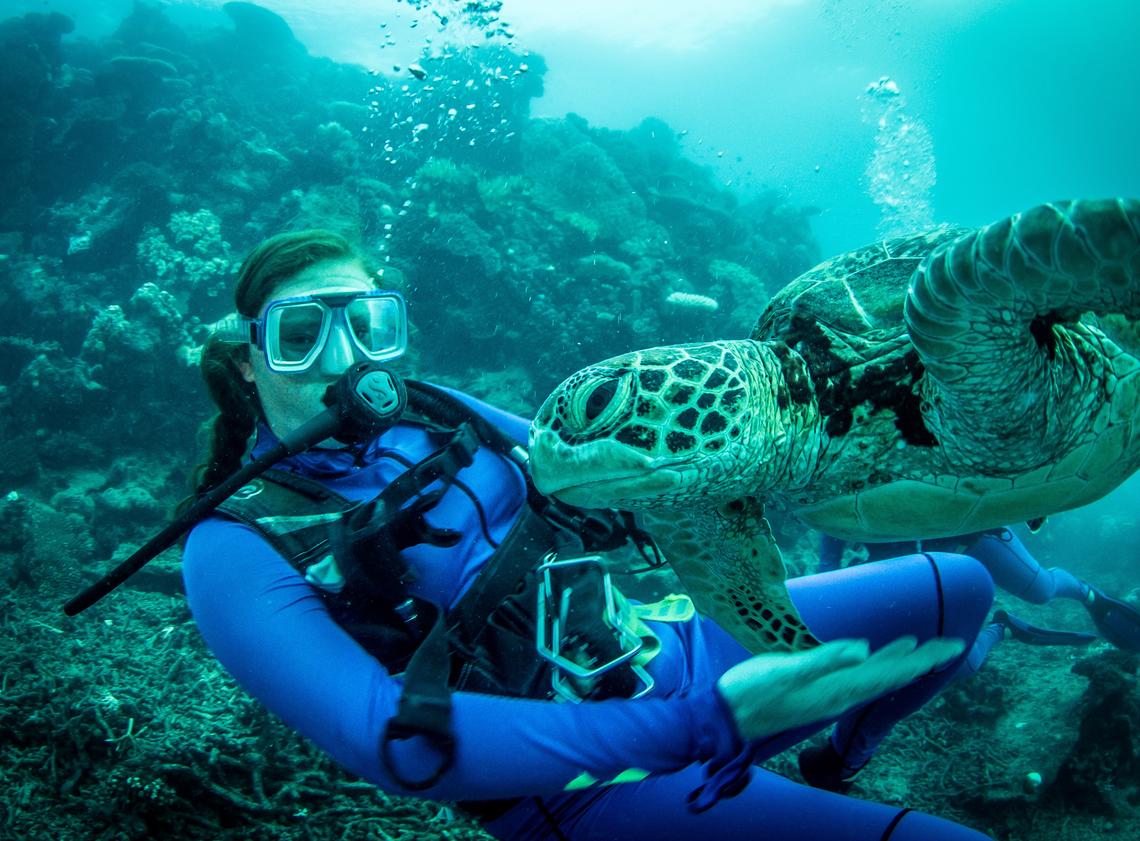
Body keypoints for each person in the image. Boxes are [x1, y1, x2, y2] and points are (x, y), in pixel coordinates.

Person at [182, 229, 1000, 840]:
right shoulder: (232, 545)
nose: (347, 357)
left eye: (369, 322)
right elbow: (383, 739)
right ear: (249, 360)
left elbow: (593, 464)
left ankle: (837, 760)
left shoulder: (434, 409)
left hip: (665, 649)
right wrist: (703, 725)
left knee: (962, 589)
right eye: (300, 335)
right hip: (580, 783)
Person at [818, 529, 1140, 651]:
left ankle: (1089, 595)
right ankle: (1004, 629)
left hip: (972, 536)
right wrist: (827, 572)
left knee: (1041, 589)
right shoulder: (855, 450)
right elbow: (830, 517)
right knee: (952, 663)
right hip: (916, 570)